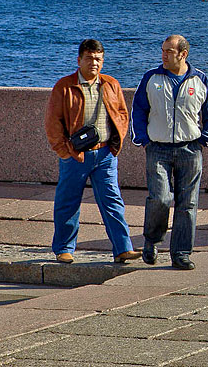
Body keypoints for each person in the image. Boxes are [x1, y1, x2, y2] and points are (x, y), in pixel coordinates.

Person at [44, 39, 141, 265]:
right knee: (68, 203)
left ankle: (123, 249)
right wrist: (63, 151)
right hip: (75, 155)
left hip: (105, 154)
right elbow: (52, 122)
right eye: (89, 58)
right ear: (79, 60)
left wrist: (117, 142)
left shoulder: (110, 84)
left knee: (112, 202)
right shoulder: (64, 86)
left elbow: (122, 114)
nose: (94, 63)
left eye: (98, 59)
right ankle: (64, 249)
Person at [131, 35, 208, 270]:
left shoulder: (199, 80)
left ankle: (181, 253)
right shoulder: (151, 78)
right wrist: (142, 139)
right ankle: (152, 240)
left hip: (190, 149)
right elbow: (138, 109)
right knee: (160, 198)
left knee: (187, 204)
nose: (164, 55)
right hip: (157, 148)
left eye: (169, 51)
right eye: (162, 50)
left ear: (183, 54)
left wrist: (205, 139)